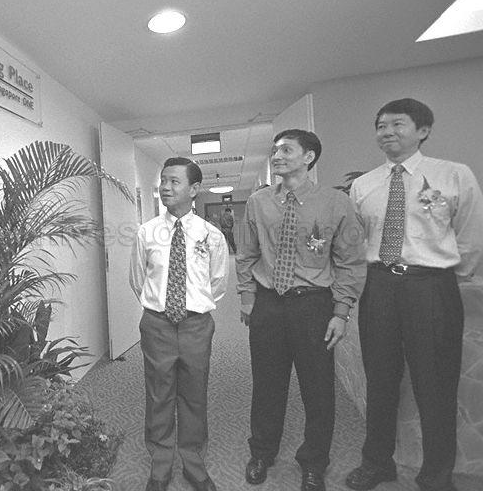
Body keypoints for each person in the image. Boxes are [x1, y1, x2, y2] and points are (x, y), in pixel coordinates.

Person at [345, 98, 483, 491]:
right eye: (380, 126)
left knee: (435, 383)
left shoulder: (453, 175)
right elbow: (358, 241)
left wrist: (445, 276)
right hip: (380, 286)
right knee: (381, 380)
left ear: (423, 130)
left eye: (397, 124)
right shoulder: (363, 185)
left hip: (431, 287)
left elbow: (471, 235)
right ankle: (377, 463)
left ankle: (437, 474)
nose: (386, 132)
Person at [236, 129, 365, 491]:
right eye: (275, 151)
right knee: (266, 383)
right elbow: (246, 254)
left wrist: (341, 311)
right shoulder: (259, 202)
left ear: (309, 157)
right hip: (268, 303)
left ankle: (314, 463)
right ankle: (262, 451)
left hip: (314, 305)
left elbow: (351, 261)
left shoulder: (336, 203)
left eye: (286, 150)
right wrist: (247, 296)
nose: (277, 156)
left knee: (318, 388)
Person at [129, 157, 228, 491]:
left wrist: (190, 306)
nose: (166, 188)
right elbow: (137, 279)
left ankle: (192, 462)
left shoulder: (211, 235)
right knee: (158, 393)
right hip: (157, 324)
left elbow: (218, 282)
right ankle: (160, 464)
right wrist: (162, 306)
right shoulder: (147, 232)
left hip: (196, 326)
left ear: (194, 189)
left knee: (194, 394)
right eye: (163, 181)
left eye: (174, 182)